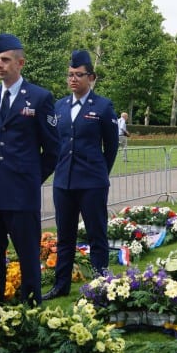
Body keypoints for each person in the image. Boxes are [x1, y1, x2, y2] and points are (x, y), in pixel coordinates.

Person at [0, 33, 59, 307]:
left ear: (20, 63)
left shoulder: (39, 97)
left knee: (27, 255)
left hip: (21, 193)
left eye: (6, 60)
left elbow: (53, 150)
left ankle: (31, 308)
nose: (0, 65)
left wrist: (32, 178)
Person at [43, 50, 118, 300]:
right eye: (70, 75)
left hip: (92, 182)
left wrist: (99, 172)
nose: (73, 79)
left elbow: (112, 146)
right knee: (65, 237)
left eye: (79, 75)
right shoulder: (60, 106)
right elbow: (55, 142)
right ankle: (61, 285)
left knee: (97, 234)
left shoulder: (103, 106)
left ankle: (99, 285)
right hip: (64, 181)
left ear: (91, 77)